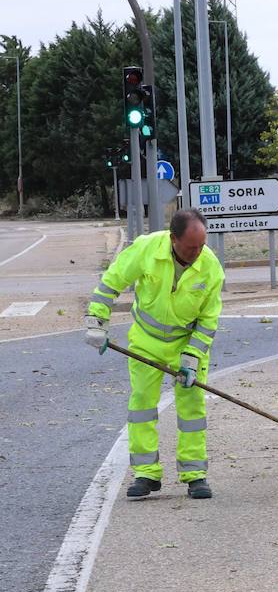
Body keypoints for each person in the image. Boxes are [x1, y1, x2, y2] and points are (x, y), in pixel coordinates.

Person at [85, 209, 225, 498]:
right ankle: (146, 474)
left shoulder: (210, 267)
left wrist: (190, 359)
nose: (197, 252)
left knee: (192, 409)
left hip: (186, 344)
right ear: (173, 239)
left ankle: (195, 474)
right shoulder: (148, 248)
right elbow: (113, 280)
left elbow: (209, 321)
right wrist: (97, 321)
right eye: (191, 247)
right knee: (142, 407)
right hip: (146, 342)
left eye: (201, 245)